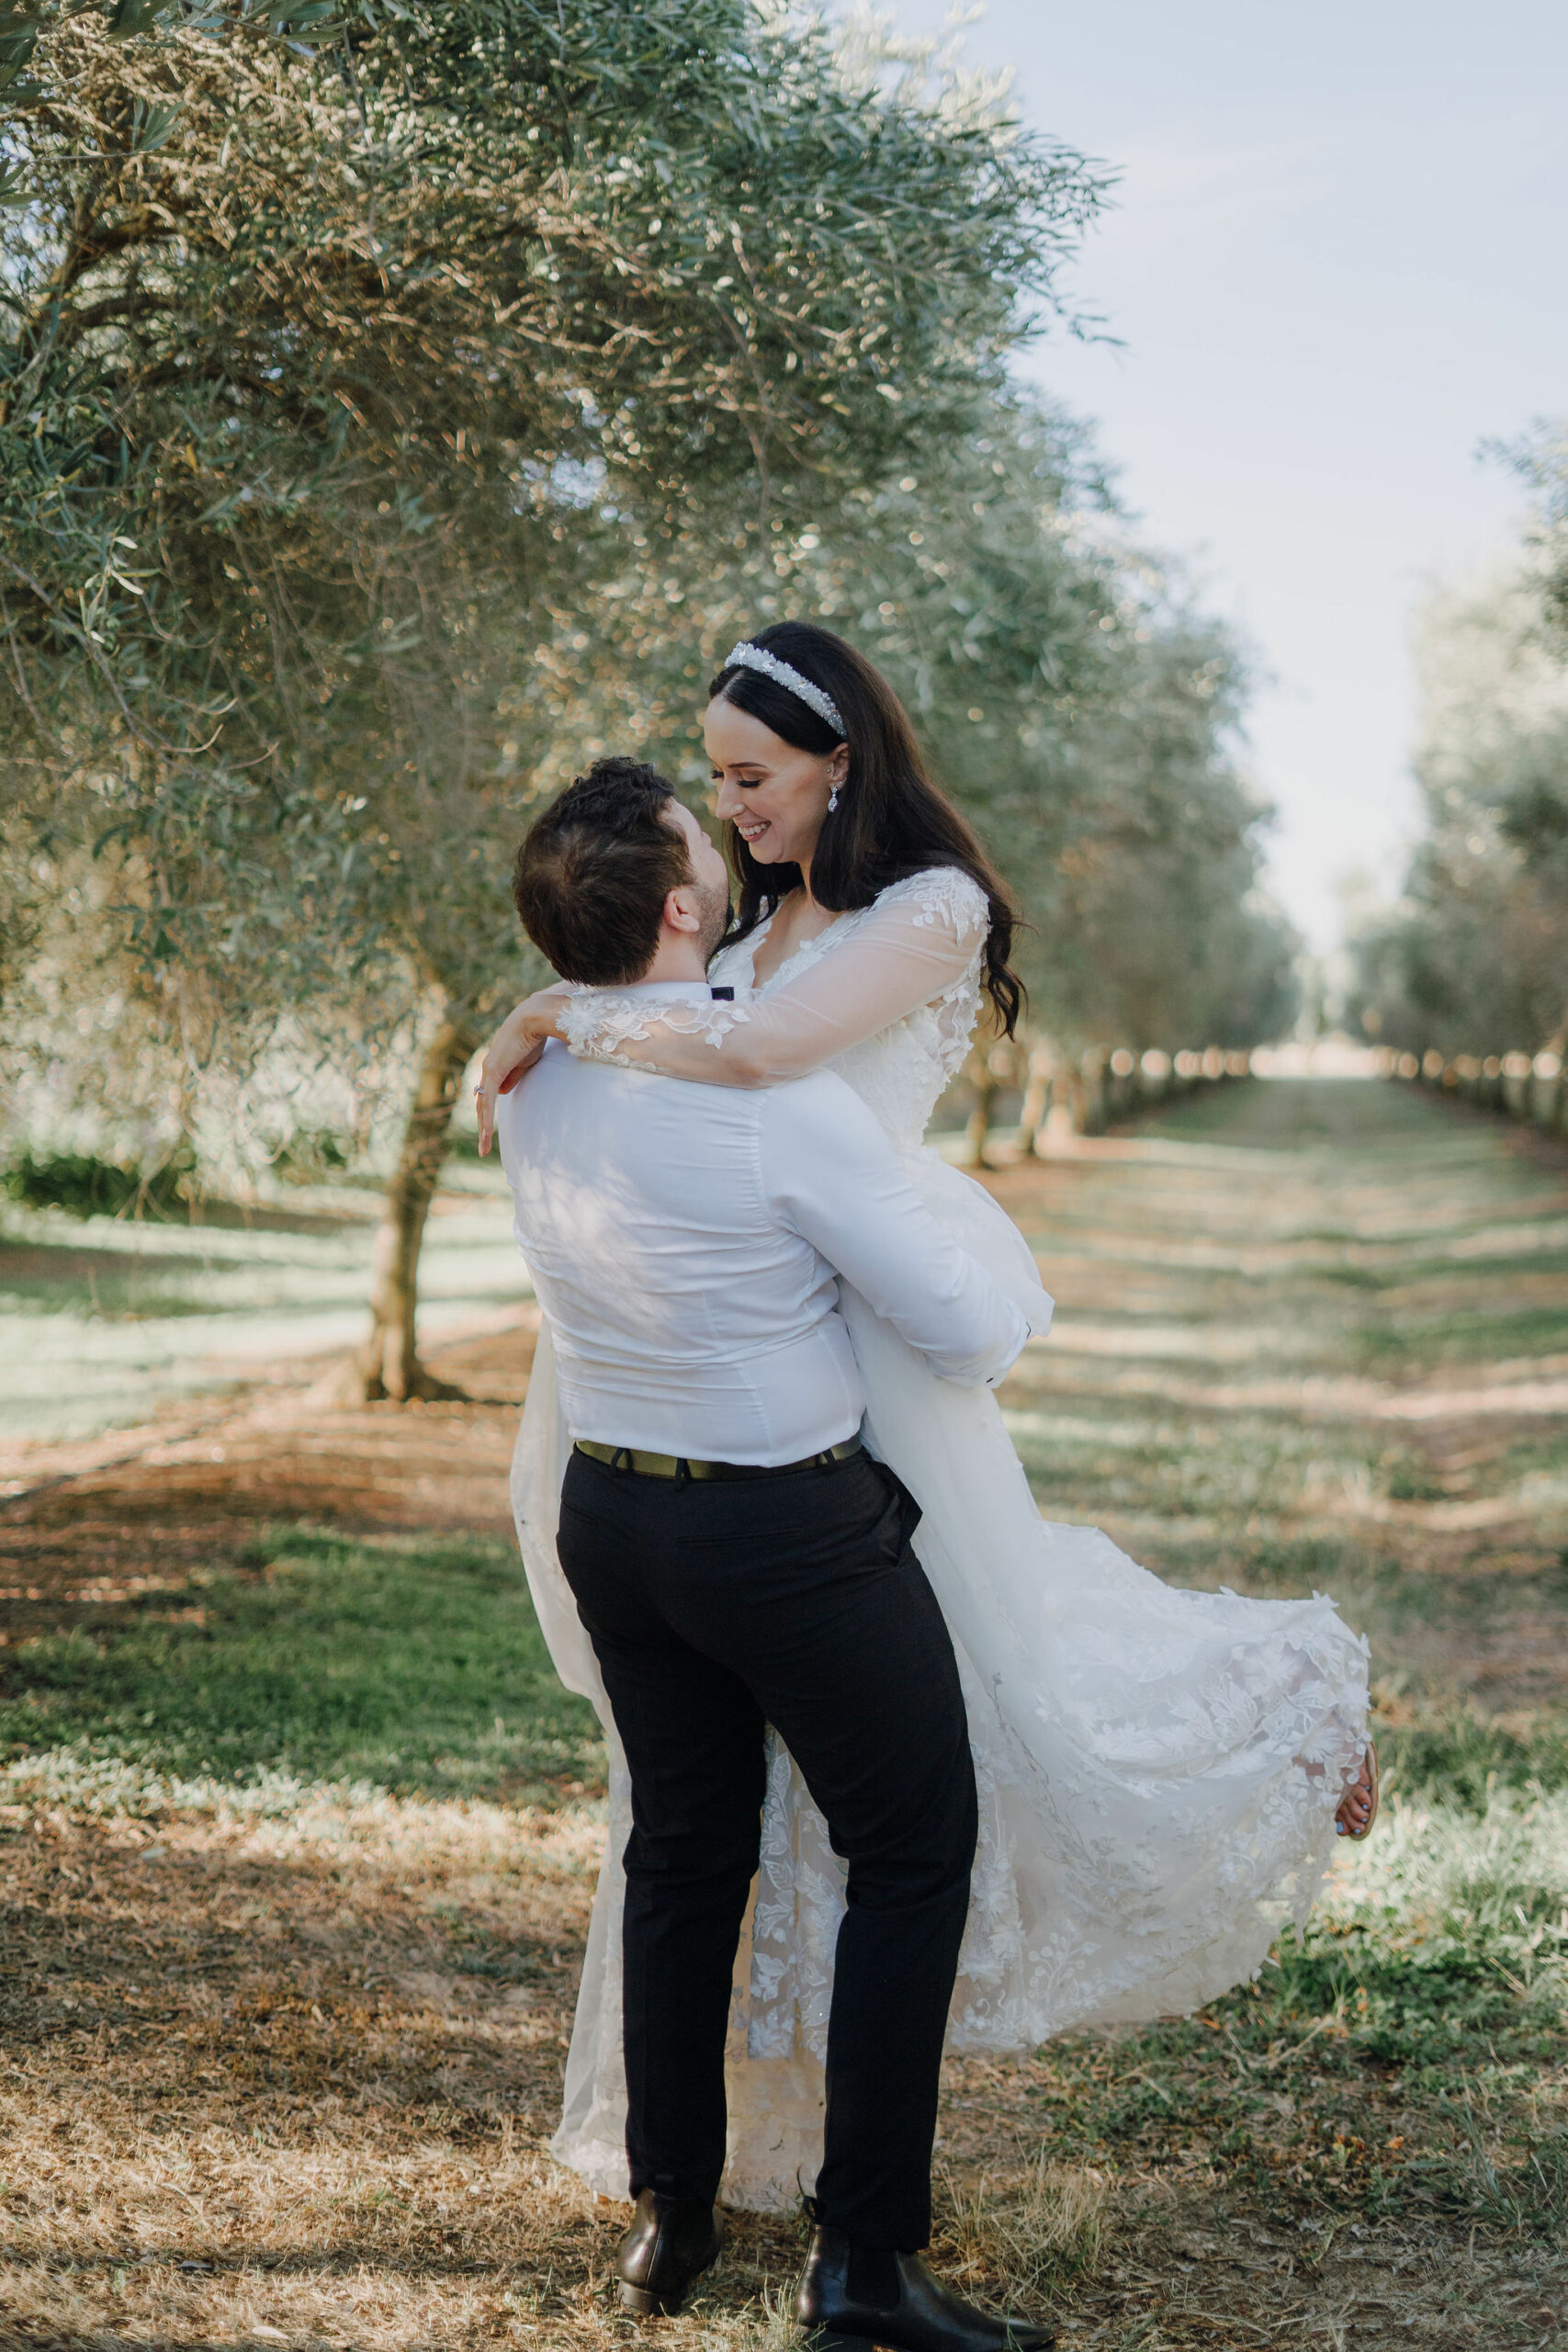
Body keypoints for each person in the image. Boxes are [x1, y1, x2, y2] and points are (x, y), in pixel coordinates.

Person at [485, 623, 1375, 2229]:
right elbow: (696, 1022)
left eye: (756, 775)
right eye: (719, 785)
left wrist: (548, 1016)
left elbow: (749, 1053)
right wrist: (566, 1007)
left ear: (843, 758)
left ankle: (1282, 1721)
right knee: (721, 1809)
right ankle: (733, 2173)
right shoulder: (742, 919)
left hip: (857, 1352)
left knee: (986, 1684)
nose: (737, 803)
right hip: (703, 1356)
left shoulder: (929, 908)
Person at [494, 755, 1051, 2350]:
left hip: (617, 1519)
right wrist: (1010, 1275)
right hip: (785, 1533)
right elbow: (960, 1332)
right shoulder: (772, 1105)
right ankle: (865, 2267)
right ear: (684, 907)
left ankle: (673, 2211)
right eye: (702, 839)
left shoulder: (535, 1080)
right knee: (913, 1846)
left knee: (682, 1853)